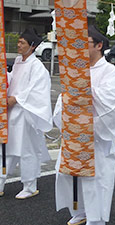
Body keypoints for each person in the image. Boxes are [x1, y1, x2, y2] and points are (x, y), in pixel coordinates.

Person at [53, 25, 115, 225]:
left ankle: (96, 218)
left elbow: (111, 103)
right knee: (69, 175)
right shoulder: (77, 70)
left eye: (86, 43)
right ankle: (80, 210)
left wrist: (86, 90)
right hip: (75, 134)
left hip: (95, 137)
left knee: (95, 181)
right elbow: (63, 97)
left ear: (99, 45)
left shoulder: (109, 71)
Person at [0, 28, 53, 198]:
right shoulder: (17, 61)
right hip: (12, 112)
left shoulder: (37, 66)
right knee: (7, 149)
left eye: (22, 42)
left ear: (32, 46)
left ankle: (30, 186)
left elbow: (37, 89)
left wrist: (17, 99)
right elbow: (13, 80)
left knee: (27, 150)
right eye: (19, 41)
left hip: (27, 113)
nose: (19, 45)